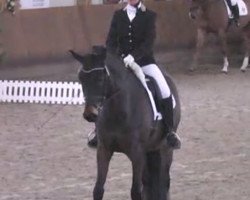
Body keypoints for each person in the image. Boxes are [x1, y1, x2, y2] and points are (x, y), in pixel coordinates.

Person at [88, 0, 181, 149]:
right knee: (103, 86)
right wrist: (117, 57)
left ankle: (170, 131)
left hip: (144, 62)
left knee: (164, 89)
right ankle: (98, 131)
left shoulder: (149, 16)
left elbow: (148, 42)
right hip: (121, 63)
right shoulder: (118, 15)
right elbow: (111, 41)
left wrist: (134, 56)